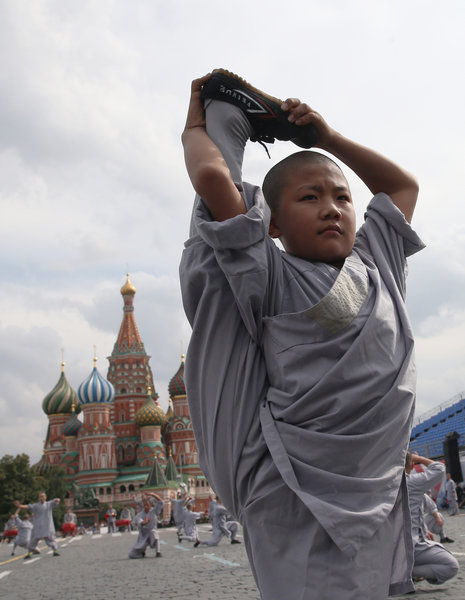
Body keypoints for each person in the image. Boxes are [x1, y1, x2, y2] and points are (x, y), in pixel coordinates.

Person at [180, 68, 424, 600]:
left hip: (376, 487)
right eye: (309, 198)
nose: (332, 208)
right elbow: (214, 182)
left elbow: (402, 186)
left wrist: (328, 139)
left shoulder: (377, 261)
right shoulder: (267, 272)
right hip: (296, 490)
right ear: (271, 223)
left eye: (341, 197)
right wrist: (195, 126)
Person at [405, 451, 458, 586]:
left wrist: (422, 530)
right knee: (451, 566)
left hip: (389, 547)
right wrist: (418, 458)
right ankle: (406, 573)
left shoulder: (384, 485)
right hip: (410, 547)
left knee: (436, 517)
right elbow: (438, 468)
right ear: (411, 465)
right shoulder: (411, 483)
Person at [14, 492, 60, 559]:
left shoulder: (49, 504)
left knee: (50, 539)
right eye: (40, 496)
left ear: (45, 497)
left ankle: (55, 551)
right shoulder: (36, 506)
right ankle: (29, 554)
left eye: (43, 496)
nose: (42, 498)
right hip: (37, 526)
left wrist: (56, 500)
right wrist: (19, 506)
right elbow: (28, 506)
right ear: (38, 498)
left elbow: (56, 500)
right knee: (33, 540)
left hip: (47, 526)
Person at [128, 493, 163, 559]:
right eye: (144, 505)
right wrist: (145, 522)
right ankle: (142, 553)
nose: (146, 507)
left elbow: (160, 501)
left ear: (150, 505)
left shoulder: (154, 511)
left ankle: (158, 552)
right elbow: (140, 522)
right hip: (143, 534)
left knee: (156, 536)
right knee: (131, 554)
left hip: (152, 531)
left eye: (147, 505)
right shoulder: (140, 514)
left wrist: (152, 494)